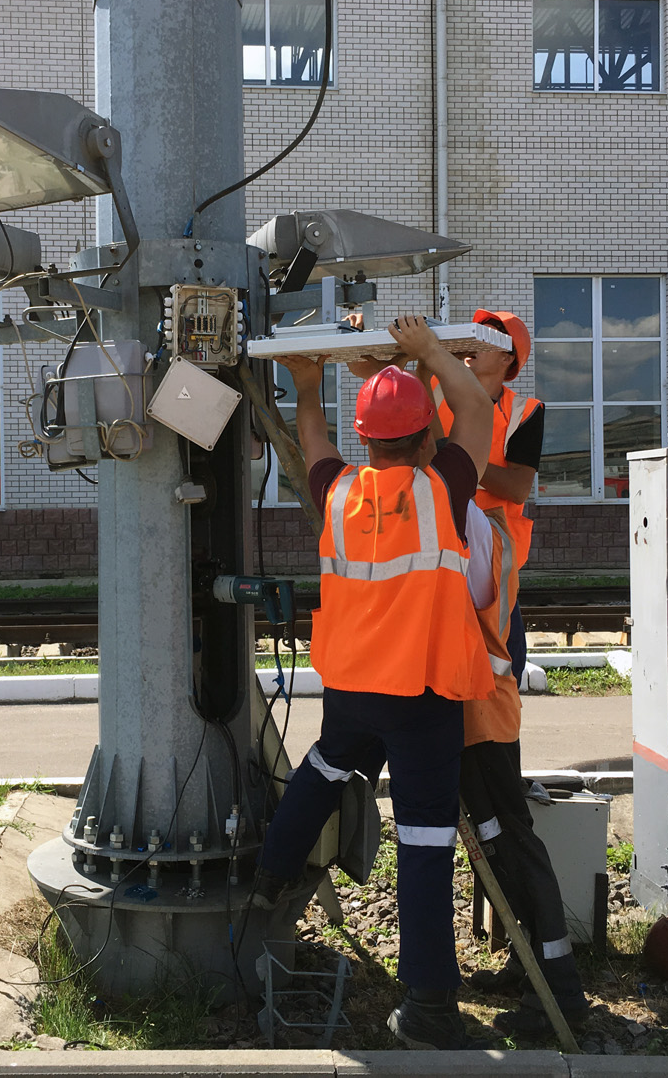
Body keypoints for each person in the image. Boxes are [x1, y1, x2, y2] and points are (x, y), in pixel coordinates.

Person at [251, 314, 496, 1051]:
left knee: (324, 768)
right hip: (423, 696)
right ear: (427, 440)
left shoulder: (337, 494)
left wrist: (307, 381)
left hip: (355, 689)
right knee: (423, 838)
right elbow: (479, 411)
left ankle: (267, 882)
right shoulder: (444, 488)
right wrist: (425, 354)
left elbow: (313, 446)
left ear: (368, 441)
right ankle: (427, 1005)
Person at [461, 502, 592, 1036]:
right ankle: (530, 963)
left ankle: (558, 987)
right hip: (476, 708)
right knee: (498, 841)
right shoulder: (469, 518)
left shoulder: (465, 522)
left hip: (481, 710)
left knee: (509, 840)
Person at [433, 310, 543, 681]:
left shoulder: (525, 412)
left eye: (488, 336)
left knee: (500, 663)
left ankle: (497, 731)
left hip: (492, 558)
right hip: (438, 544)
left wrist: (458, 461)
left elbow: (517, 487)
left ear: (507, 356)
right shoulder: (434, 390)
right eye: (474, 333)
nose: (473, 342)